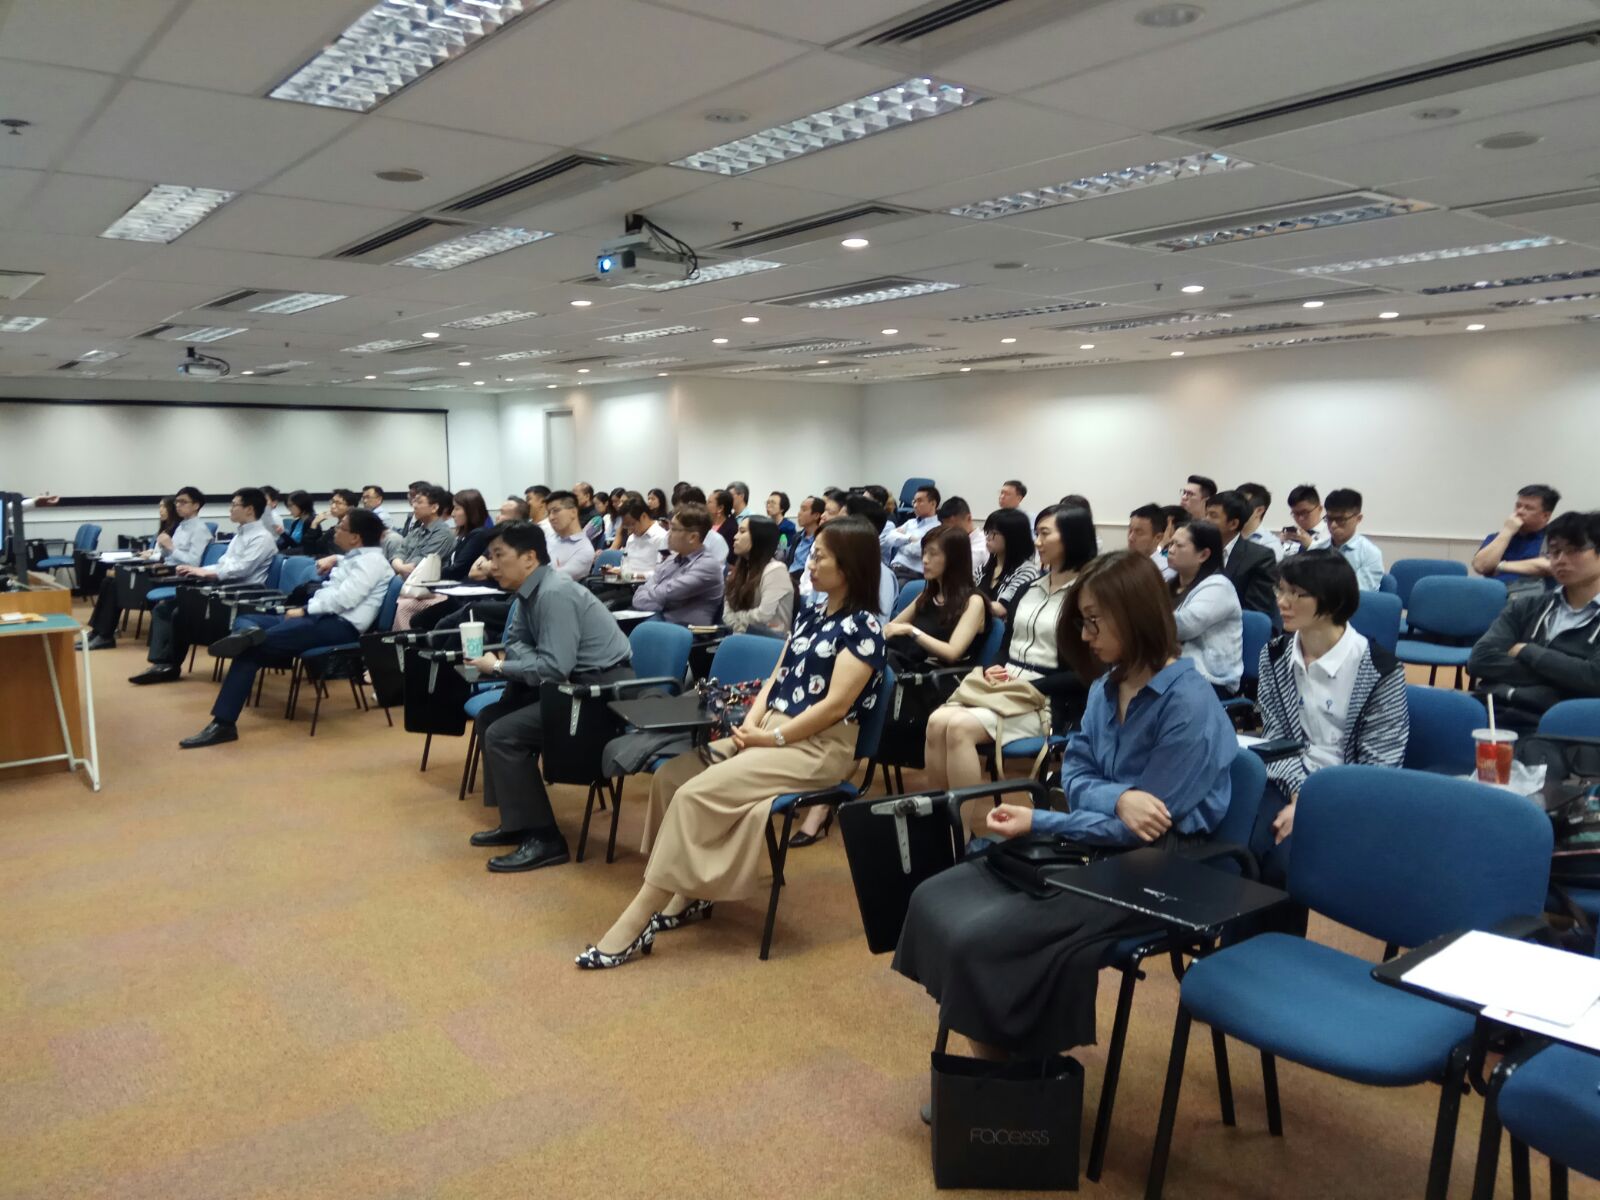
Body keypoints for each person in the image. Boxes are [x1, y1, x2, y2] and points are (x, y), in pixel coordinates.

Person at [893, 550, 1236, 1059]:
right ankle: (1007, 1060)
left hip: (1161, 865)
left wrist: (1044, 820)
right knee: (933, 897)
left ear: (1136, 615)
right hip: (1097, 841)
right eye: (1082, 621)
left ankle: (1011, 1068)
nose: (1086, 635)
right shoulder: (1107, 687)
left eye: (1094, 621)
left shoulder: (1188, 704)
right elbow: (1074, 774)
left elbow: (1144, 827)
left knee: (988, 936)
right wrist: (1119, 797)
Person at [575, 516, 886, 968]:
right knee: (671, 778)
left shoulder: (864, 628)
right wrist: (751, 729)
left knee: (694, 796)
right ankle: (686, 890)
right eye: (813, 554)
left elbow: (836, 706)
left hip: (816, 748)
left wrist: (771, 737)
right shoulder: (813, 613)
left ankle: (637, 919)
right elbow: (776, 678)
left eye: (820, 557)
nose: (810, 563)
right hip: (772, 732)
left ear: (850, 566)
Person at [466, 521, 634, 872]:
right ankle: (517, 821)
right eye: (490, 556)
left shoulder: (554, 593)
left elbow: (554, 668)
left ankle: (545, 839)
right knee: (489, 718)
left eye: (499, 555)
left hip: (598, 693)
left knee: (504, 734)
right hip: (569, 686)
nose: (492, 565)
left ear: (529, 558)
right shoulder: (529, 591)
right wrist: (527, 658)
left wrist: (499, 667)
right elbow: (516, 643)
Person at [922, 507, 1096, 828]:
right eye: (1037, 533)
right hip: (1006, 686)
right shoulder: (1032, 587)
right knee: (936, 721)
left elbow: (1087, 673)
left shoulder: (1088, 595)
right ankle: (938, 825)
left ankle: (959, 833)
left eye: (1045, 533)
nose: (1037, 541)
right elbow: (1005, 644)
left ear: (1071, 537)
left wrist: (1030, 686)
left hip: (1046, 700)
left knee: (959, 728)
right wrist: (993, 668)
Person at [176, 509, 396, 748]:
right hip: (319, 617)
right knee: (248, 620)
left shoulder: (372, 562)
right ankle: (247, 636)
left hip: (338, 626)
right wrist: (335, 559)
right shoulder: (356, 557)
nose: (335, 530)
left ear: (355, 537)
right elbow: (346, 572)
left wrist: (305, 610)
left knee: (250, 651)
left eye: (341, 527)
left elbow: (345, 599)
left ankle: (224, 723)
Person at [1251, 551, 1408, 887]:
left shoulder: (1379, 669)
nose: (1283, 602)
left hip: (1347, 790)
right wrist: (1300, 795)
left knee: (1285, 862)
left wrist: (1313, 802)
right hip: (1286, 777)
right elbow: (1276, 740)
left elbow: (1380, 766)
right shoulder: (1275, 655)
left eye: (1297, 594)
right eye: (1281, 590)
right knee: (1244, 844)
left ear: (1333, 601)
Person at [129, 488, 278, 685]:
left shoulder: (262, 538)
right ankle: (162, 664)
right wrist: (199, 570)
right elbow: (223, 564)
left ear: (249, 509)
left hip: (240, 597)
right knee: (166, 608)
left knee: (180, 611)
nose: (230, 509)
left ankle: (168, 665)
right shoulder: (240, 535)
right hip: (222, 589)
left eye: (234, 505)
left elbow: (242, 569)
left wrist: (206, 573)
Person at [1469, 510, 1600, 731]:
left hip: (1562, 725)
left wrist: (1526, 650)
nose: (1560, 560)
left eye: (1573, 550)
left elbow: (1594, 680)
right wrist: (1565, 677)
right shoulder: (1526, 606)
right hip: (1494, 709)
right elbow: (1480, 659)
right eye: (1554, 552)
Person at [86, 491, 211, 650]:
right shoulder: (181, 527)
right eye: (177, 502)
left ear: (196, 505)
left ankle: (105, 636)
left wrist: (170, 547)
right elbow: (168, 555)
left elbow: (193, 562)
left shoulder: (200, 530)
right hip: (166, 569)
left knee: (117, 583)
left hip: (178, 575)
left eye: (183, 502)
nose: (178, 505)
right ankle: (97, 631)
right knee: (108, 581)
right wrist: (163, 549)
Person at [393, 488, 492, 630]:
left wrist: (427, 576)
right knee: (407, 608)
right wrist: (402, 567)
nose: (452, 514)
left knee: (410, 611)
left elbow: (458, 569)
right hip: (450, 589)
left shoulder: (478, 535)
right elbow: (399, 553)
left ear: (470, 510)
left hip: (461, 594)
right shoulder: (464, 535)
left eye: (457, 509)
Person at [1167, 519, 1243, 696]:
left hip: (1210, 680)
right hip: (1175, 672)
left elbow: (1183, 627)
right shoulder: (1171, 585)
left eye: (1179, 545)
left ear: (1203, 554)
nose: (1170, 550)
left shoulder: (1219, 586)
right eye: (1170, 544)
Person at [632, 503, 724, 626]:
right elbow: (639, 596)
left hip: (683, 632)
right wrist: (656, 596)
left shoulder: (708, 566)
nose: (668, 534)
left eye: (674, 529)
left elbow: (667, 594)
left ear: (692, 537)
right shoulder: (671, 560)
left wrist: (652, 594)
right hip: (656, 621)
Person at [1207, 489, 1280, 627]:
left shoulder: (1260, 556)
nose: (1205, 520)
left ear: (1233, 524)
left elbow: (1254, 611)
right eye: (1206, 514)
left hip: (1232, 629)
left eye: (1213, 515)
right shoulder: (1200, 550)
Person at [1472, 484, 1560, 598]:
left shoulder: (1555, 540)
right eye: (1518, 506)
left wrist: (1499, 566)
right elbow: (1480, 566)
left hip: (1532, 601)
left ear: (1545, 516)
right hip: (1493, 598)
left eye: (1528, 508)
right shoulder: (1498, 537)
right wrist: (1507, 531)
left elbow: (1548, 566)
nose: (1519, 511)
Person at [722, 516, 793, 634]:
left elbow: (764, 616)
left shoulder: (775, 570)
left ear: (759, 538)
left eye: (742, 532)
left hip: (769, 641)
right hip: (741, 637)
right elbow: (726, 615)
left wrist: (736, 620)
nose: (735, 537)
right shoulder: (740, 570)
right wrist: (740, 625)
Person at [1311, 487, 1383, 591]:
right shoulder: (1317, 549)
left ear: (1358, 519)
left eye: (1341, 519)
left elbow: (1359, 593)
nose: (1333, 525)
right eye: (1329, 519)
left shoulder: (1370, 553)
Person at [390, 485, 455, 576]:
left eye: (419, 502)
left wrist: (399, 567)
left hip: (422, 581)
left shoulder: (443, 534)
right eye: (414, 502)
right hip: (404, 578)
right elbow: (398, 554)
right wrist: (401, 567)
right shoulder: (417, 531)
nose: (414, 506)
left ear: (434, 508)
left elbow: (419, 565)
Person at [883, 485, 941, 585]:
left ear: (933, 504)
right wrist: (909, 538)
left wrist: (900, 541)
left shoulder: (937, 528)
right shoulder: (910, 522)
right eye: (914, 501)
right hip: (893, 568)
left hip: (911, 574)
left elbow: (918, 550)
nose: (915, 505)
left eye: (920, 501)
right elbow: (888, 539)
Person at [543, 490, 596, 581]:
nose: (551, 517)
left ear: (573, 512)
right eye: (548, 513)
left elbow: (554, 579)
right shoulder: (548, 539)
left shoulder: (584, 550)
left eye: (556, 511)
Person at [612, 498, 668, 579]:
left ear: (644, 516)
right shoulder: (631, 538)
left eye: (632, 524)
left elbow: (664, 573)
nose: (629, 530)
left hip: (649, 584)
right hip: (627, 582)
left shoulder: (662, 537)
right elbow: (627, 567)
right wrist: (615, 570)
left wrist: (635, 576)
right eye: (626, 526)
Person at [937, 496, 987, 581]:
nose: (952, 532)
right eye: (947, 529)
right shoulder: (946, 542)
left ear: (969, 518)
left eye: (956, 528)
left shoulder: (984, 547)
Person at [1236, 481, 1287, 562]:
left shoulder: (1270, 545)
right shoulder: (1225, 535)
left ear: (1259, 511)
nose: (1233, 509)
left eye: (1241, 505)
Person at [1127, 502, 1173, 582]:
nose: (1130, 538)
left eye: (1139, 532)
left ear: (1158, 538)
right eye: (1130, 530)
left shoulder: (1164, 571)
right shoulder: (1123, 563)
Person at [307, 489, 360, 555]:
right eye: (332, 502)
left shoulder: (351, 530)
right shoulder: (334, 529)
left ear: (351, 507)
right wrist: (314, 524)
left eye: (338, 503)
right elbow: (312, 549)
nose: (333, 506)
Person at [1278, 484, 1327, 555]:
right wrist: (1279, 544)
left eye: (1305, 513)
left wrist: (1311, 545)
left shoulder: (1331, 534)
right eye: (1296, 513)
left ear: (1320, 509)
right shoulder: (1293, 535)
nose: (1300, 518)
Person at [788, 495, 824, 580]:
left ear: (816, 515)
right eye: (800, 509)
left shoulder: (820, 541)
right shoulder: (797, 537)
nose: (799, 513)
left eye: (804, 510)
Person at [707, 489, 738, 557]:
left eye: (709, 502)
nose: (706, 505)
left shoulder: (732, 529)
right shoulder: (705, 524)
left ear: (720, 508)